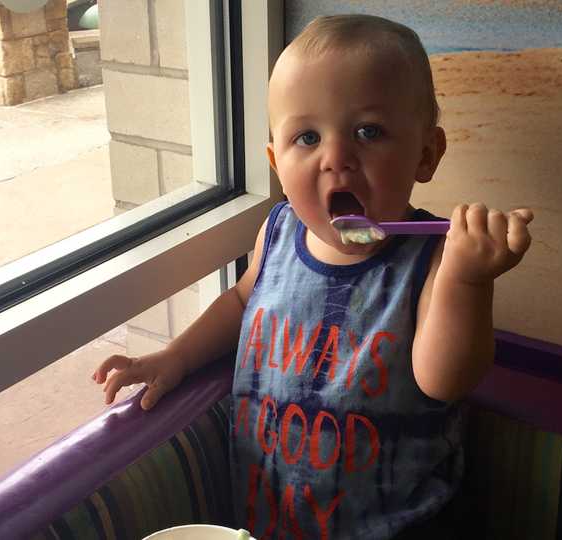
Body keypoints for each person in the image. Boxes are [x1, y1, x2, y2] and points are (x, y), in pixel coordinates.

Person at [92, 14, 533, 539]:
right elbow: (240, 301)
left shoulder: (435, 258)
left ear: (426, 154)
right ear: (276, 163)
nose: (337, 159)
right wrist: (177, 356)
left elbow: (444, 378)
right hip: (266, 517)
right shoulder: (276, 231)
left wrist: (470, 279)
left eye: (368, 132)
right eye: (307, 136)